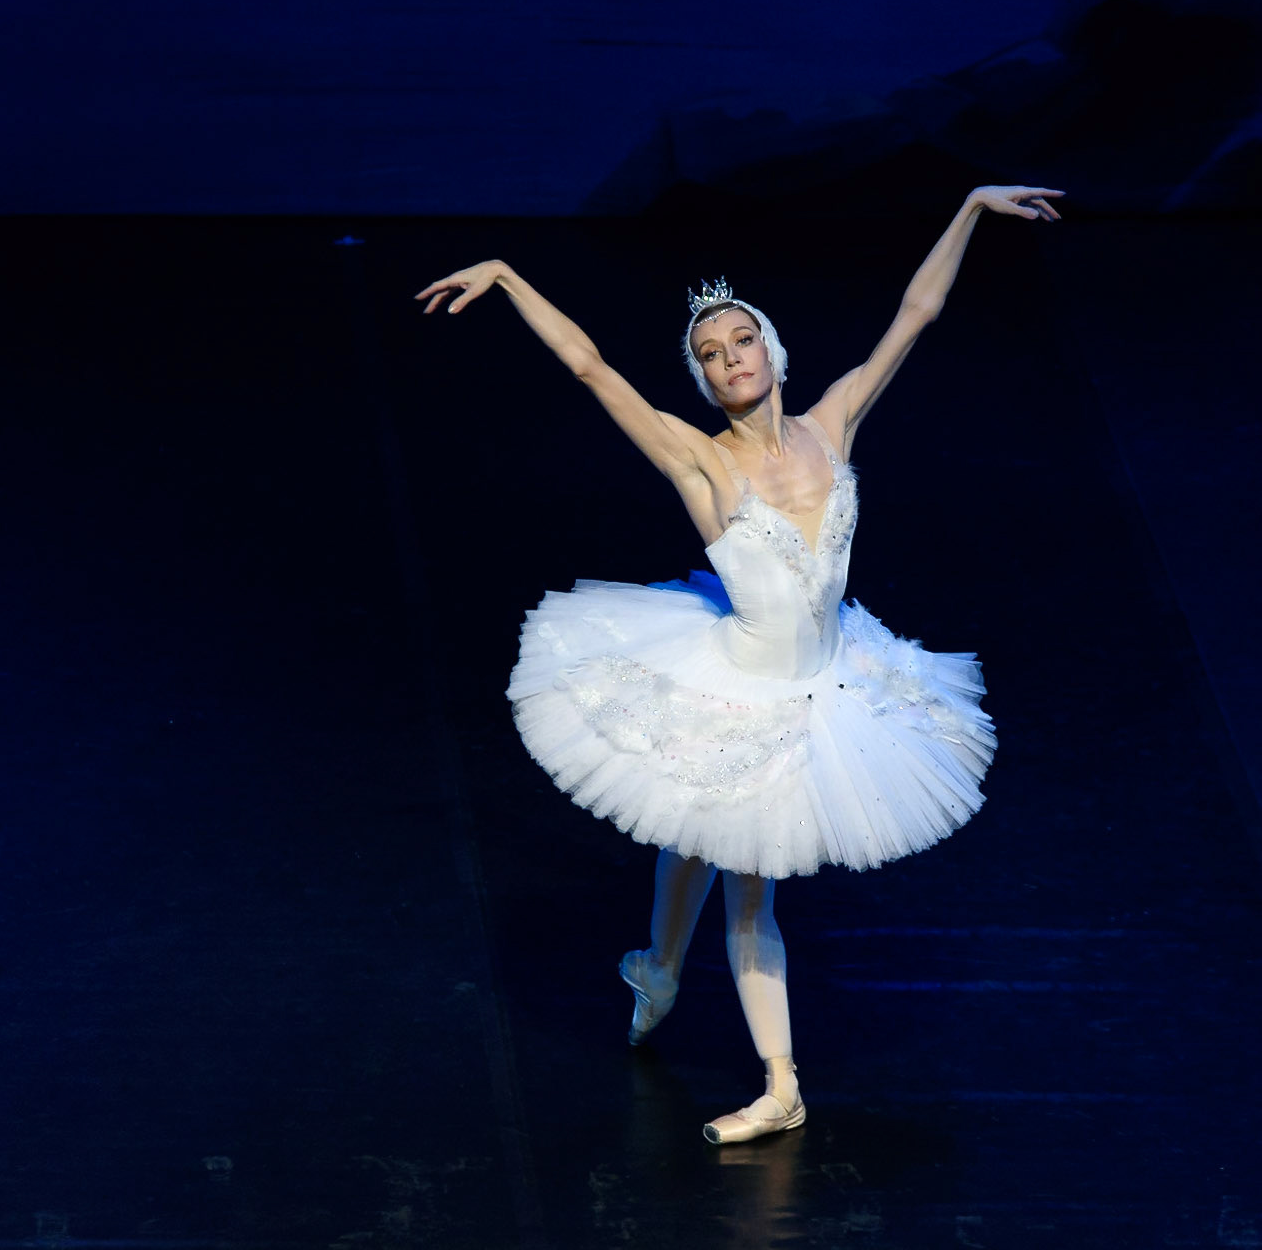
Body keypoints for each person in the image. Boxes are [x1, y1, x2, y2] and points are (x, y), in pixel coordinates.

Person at [415, 184, 1062, 1144]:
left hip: (835, 678)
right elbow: (591, 369)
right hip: (742, 682)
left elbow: (915, 315)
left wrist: (967, 205)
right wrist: (509, 275)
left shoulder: (834, 419)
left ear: (771, 347)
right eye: (710, 355)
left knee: (702, 834)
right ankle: (781, 1082)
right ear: (702, 377)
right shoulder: (698, 462)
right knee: (741, 869)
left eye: (739, 341)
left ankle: (660, 971)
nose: (728, 360)